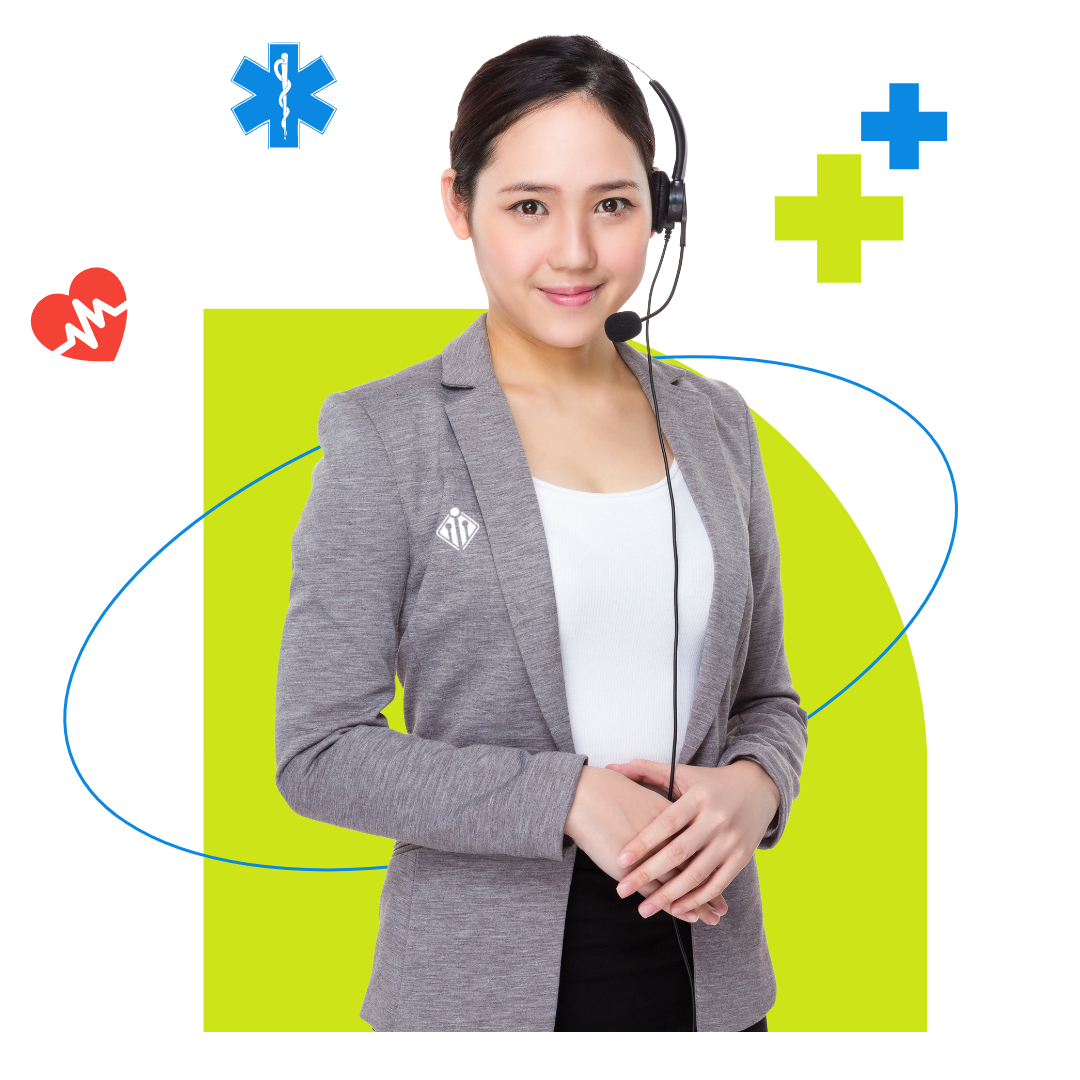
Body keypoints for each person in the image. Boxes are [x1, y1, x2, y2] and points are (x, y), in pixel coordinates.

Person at [275, 34, 808, 1032]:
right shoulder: (386, 434)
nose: (574, 252)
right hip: (475, 997)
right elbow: (319, 750)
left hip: (715, 987)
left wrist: (754, 789)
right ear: (459, 205)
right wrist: (566, 797)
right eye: (529, 206)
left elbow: (767, 699)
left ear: (661, 210)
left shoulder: (717, 424)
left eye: (613, 205)